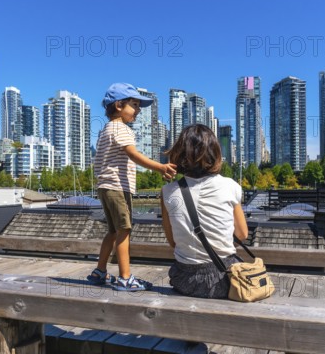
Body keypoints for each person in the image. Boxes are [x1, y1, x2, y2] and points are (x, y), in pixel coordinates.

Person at [89, 82, 177, 291]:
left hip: (105, 186)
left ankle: (100, 271)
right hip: (118, 186)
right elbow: (133, 154)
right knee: (124, 230)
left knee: (112, 232)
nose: (137, 110)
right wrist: (160, 167)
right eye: (135, 105)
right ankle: (125, 278)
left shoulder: (106, 129)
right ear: (119, 105)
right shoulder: (122, 129)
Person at [161, 124, 249, 298]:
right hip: (224, 279)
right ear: (215, 153)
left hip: (184, 279)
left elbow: (173, 242)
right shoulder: (230, 186)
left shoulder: (167, 192)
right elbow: (242, 234)